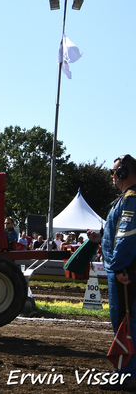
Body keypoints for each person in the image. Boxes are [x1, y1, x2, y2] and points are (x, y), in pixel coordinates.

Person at [87, 154, 136, 387]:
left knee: (126, 324)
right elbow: (117, 235)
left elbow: (127, 239)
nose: (112, 175)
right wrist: (100, 238)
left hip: (125, 275)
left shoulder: (131, 199)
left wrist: (118, 267)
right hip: (124, 271)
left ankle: (128, 376)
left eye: (115, 171)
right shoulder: (125, 199)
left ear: (124, 173)